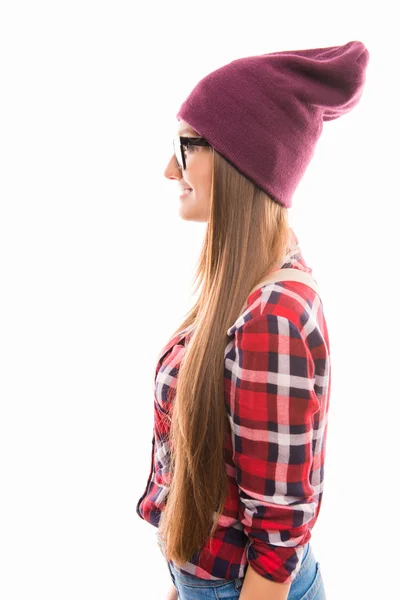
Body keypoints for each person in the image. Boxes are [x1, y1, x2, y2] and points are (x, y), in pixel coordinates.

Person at [136, 40, 370, 600]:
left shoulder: (274, 318)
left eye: (186, 147)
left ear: (240, 161)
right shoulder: (242, 292)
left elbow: (276, 542)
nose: (171, 169)